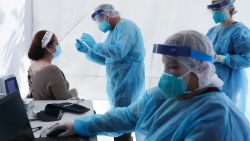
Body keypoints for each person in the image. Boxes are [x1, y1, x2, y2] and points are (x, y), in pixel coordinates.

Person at [48, 30, 250, 141]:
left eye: (173, 67)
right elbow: (125, 116)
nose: (166, 75)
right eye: (164, 66)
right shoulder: (162, 96)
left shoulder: (218, 119)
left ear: (198, 68)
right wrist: (80, 126)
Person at [75, 4, 145, 141]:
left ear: (108, 14)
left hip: (128, 83)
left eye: (99, 19)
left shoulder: (126, 26)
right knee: (118, 123)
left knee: (124, 124)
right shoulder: (113, 32)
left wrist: (95, 45)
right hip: (119, 84)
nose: (99, 24)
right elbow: (107, 59)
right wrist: (88, 51)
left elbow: (118, 52)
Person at [206, 0, 250, 112]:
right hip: (211, 79)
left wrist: (221, 58)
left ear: (230, 8)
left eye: (219, 9)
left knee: (226, 114)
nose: (216, 12)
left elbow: (247, 59)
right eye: (214, 10)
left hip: (230, 81)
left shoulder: (240, 31)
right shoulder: (212, 31)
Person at [27, 30, 78, 100]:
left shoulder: (32, 67)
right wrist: (73, 92)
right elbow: (65, 99)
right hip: (53, 110)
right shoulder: (52, 70)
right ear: (48, 47)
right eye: (56, 43)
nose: (58, 46)